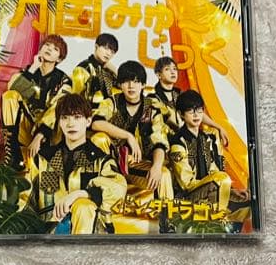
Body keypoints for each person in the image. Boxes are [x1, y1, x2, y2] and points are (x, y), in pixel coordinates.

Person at [20, 93, 127, 234]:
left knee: (83, 205)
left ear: (88, 121)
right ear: (59, 122)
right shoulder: (43, 159)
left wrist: (82, 194)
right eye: (65, 118)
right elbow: (24, 199)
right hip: (49, 234)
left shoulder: (101, 160)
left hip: (91, 234)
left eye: (77, 117)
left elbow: (119, 188)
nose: (71, 124)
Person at [89, 61, 173, 200]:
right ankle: (100, 184)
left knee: (163, 174)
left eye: (136, 81)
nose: (131, 86)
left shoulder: (152, 109)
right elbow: (96, 123)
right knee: (99, 138)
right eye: (126, 81)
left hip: (136, 165)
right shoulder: (112, 102)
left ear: (143, 85)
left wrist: (157, 166)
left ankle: (165, 213)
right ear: (120, 84)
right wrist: (128, 136)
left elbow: (160, 143)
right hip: (112, 163)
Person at [0, 34, 72, 171]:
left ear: (59, 59)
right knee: (10, 95)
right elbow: (13, 88)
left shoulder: (64, 80)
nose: (49, 49)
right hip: (26, 127)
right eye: (47, 45)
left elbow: (57, 108)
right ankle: (13, 152)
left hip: (49, 134)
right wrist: (33, 68)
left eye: (55, 49)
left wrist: (40, 135)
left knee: (61, 103)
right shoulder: (29, 71)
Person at [168, 90, 233, 211]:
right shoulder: (178, 142)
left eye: (199, 110)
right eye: (190, 111)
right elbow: (186, 184)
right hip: (186, 198)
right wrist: (219, 181)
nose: (196, 115)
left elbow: (213, 171)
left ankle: (218, 215)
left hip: (207, 190)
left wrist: (230, 190)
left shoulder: (204, 138)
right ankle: (218, 217)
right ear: (181, 114)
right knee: (221, 179)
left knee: (245, 206)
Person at [149, 56, 230, 145]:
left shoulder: (180, 94)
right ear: (158, 75)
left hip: (186, 134)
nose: (173, 72)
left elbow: (197, 112)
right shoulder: (153, 98)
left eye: (175, 69)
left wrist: (219, 127)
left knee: (214, 132)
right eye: (167, 69)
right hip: (167, 140)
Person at [71, 32, 119, 104]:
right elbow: (75, 98)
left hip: (108, 109)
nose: (108, 54)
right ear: (96, 46)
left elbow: (124, 88)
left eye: (112, 52)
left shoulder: (109, 70)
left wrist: (114, 69)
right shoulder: (83, 68)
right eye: (106, 48)